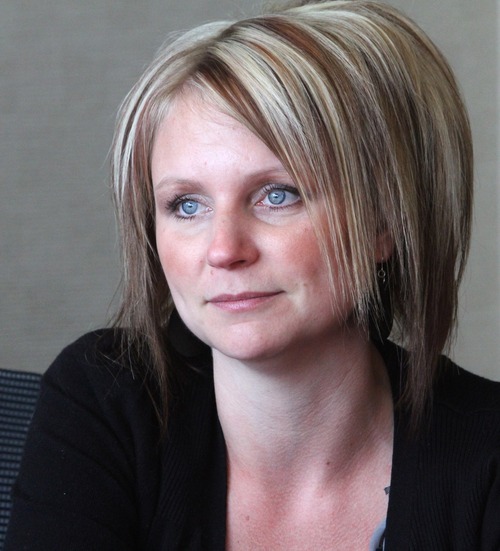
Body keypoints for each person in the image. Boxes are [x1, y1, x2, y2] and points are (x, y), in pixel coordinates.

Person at [5, 1, 500, 549]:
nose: (223, 250)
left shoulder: (488, 453)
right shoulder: (103, 401)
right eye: (186, 205)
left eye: (277, 195)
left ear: (383, 223)